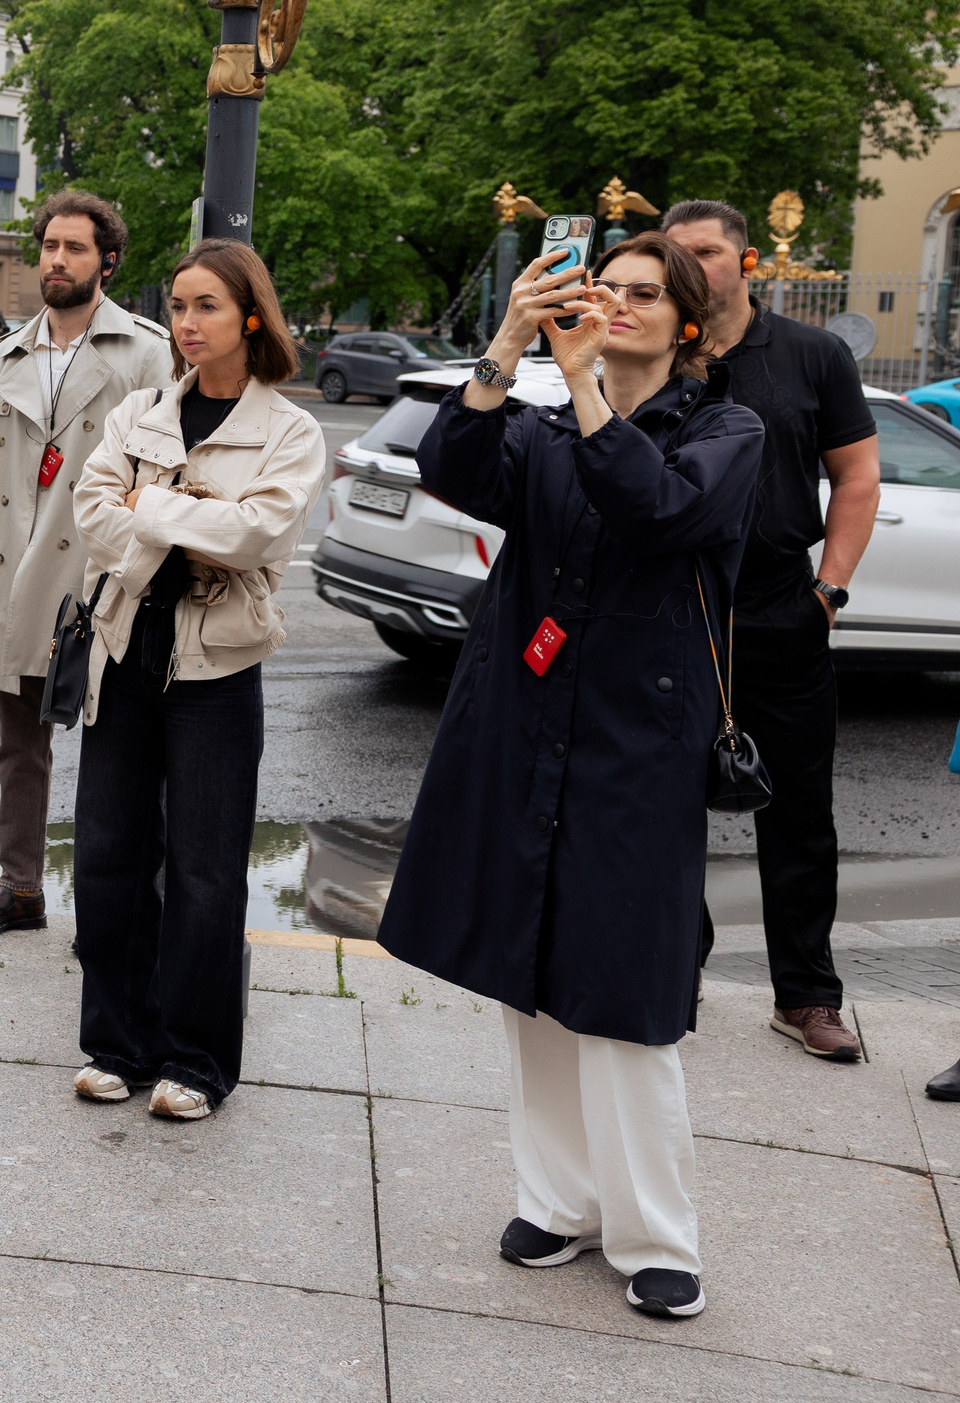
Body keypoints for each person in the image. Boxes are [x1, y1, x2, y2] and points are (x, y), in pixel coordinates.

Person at [379, 234, 764, 1322]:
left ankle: (654, 1235)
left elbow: (658, 510)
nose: (621, 306)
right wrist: (506, 342)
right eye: (609, 291)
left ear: (687, 323)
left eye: (646, 295)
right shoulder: (543, 426)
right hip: (522, 722)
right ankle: (557, 1201)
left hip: (639, 742)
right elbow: (451, 467)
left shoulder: (727, 430)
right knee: (530, 963)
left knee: (626, 988)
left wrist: (589, 385)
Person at [67, 238, 325, 1119]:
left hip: (217, 665)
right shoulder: (140, 411)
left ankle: (197, 1058)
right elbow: (92, 512)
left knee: (207, 871)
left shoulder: (289, 431)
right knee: (108, 858)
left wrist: (155, 507)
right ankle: (117, 1042)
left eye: (206, 305)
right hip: (124, 645)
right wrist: (192, 517)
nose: (185, 323)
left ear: (250, 315)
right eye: (178, 306)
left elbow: (258, 535)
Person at [662, 199, 879, 1063]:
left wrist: (828, 593)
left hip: (782, 607)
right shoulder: (650, 349)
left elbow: (856, 479)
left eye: (707, 252)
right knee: (664, 804)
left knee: (798, 814)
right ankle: (677, 973)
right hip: (673, 609)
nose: (691, 266)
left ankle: (807, 996)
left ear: (744, 263)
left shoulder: (811, 355)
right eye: (675, 253)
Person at [0, 189, 171, 934]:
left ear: (105, 260)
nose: (57, 259)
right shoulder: (6, 355)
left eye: (75, 248)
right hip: (12, 574)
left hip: (96, 578)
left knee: (116, 755)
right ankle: (20, 888)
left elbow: (159, 474)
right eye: (49, 246)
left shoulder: (144, 351)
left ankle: (110, 908)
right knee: (20, 747)